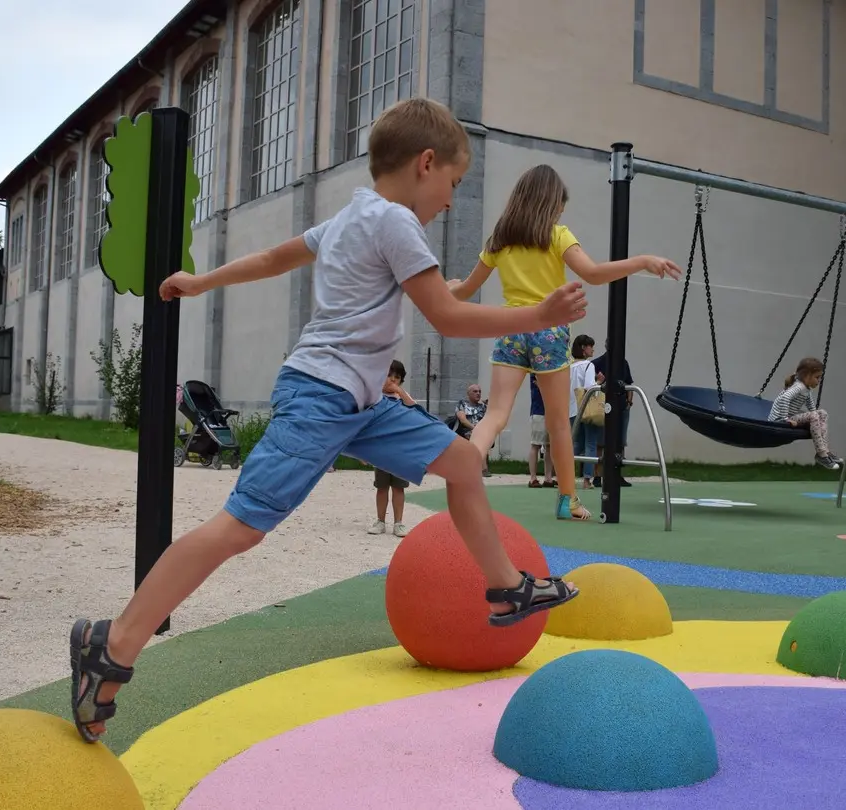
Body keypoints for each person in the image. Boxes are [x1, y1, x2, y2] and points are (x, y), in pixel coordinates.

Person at [67, 98, 585, 743]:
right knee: (239, 529)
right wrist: (540, 316)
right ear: (426, 164)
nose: (451, 201)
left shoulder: (352, 218)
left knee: (463, 460)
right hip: (321, 395)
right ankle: (110, 646)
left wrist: (201, 283)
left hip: (360, 402)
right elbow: (448, 320)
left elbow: (274, 258)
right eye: (452, 183)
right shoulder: (397, 224)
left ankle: (508, 588)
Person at [447, 164, 680, 520]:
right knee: (558, 422)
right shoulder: (557, 236)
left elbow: (465, 290)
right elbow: (594, 273)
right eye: (559, 207)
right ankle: (567, 500)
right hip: (549, 331)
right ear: (550, 205)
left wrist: (450, 288)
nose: (560, 213)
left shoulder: (500, 239)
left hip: (511, 328)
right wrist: (642, 261)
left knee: (496, 414)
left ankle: (467, 467)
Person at [369, 360, 417, 537]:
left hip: (400, 449)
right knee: (381, 487)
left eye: (397, 378)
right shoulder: (375, 397)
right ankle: (380, 521)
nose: (392, 380)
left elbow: (413, 408)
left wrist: (399, 392)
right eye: (389, 375)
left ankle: (398, 523)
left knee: (399, 487)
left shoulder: (403, 397)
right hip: (381, 449)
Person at [768, 357, 841, 469]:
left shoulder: (806, 389)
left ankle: (825, 451)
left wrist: (817, 419)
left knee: (822, 413)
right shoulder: (799, 387)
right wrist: (784, 419)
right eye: (817, 377)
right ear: (807, 376)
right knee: (815, 415)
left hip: (791, 416)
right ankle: (821, 454)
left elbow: (811, 407)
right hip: (778, 419)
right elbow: (784, 398)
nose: (819, 380)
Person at [592, 341, 634, 488]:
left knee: (619, 441)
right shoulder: (597, 363)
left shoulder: (623, 363)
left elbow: (628, 383)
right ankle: (597, 475)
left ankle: (617, 475)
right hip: (603, 406)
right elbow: (593, 384)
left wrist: (629, 401)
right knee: (601, 442)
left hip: (621, 406)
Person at [569, 334, 601, 489]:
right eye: (590, 346)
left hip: (571, 409)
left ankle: (566, 475)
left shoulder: (569, 366)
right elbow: (590, 387)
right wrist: (599, 382)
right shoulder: (589, 366)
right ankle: (587, 479)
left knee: (575, 443)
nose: (592, 349)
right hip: (587, 408)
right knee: (590, 443)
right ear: (583, 348)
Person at [527, 373, 556, 488]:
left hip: (551, 411)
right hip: (538, 411)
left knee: (549, 446)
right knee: (536, 444)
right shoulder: (536, 370)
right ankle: (533, 478)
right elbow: (543, 386)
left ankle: (548, 478)